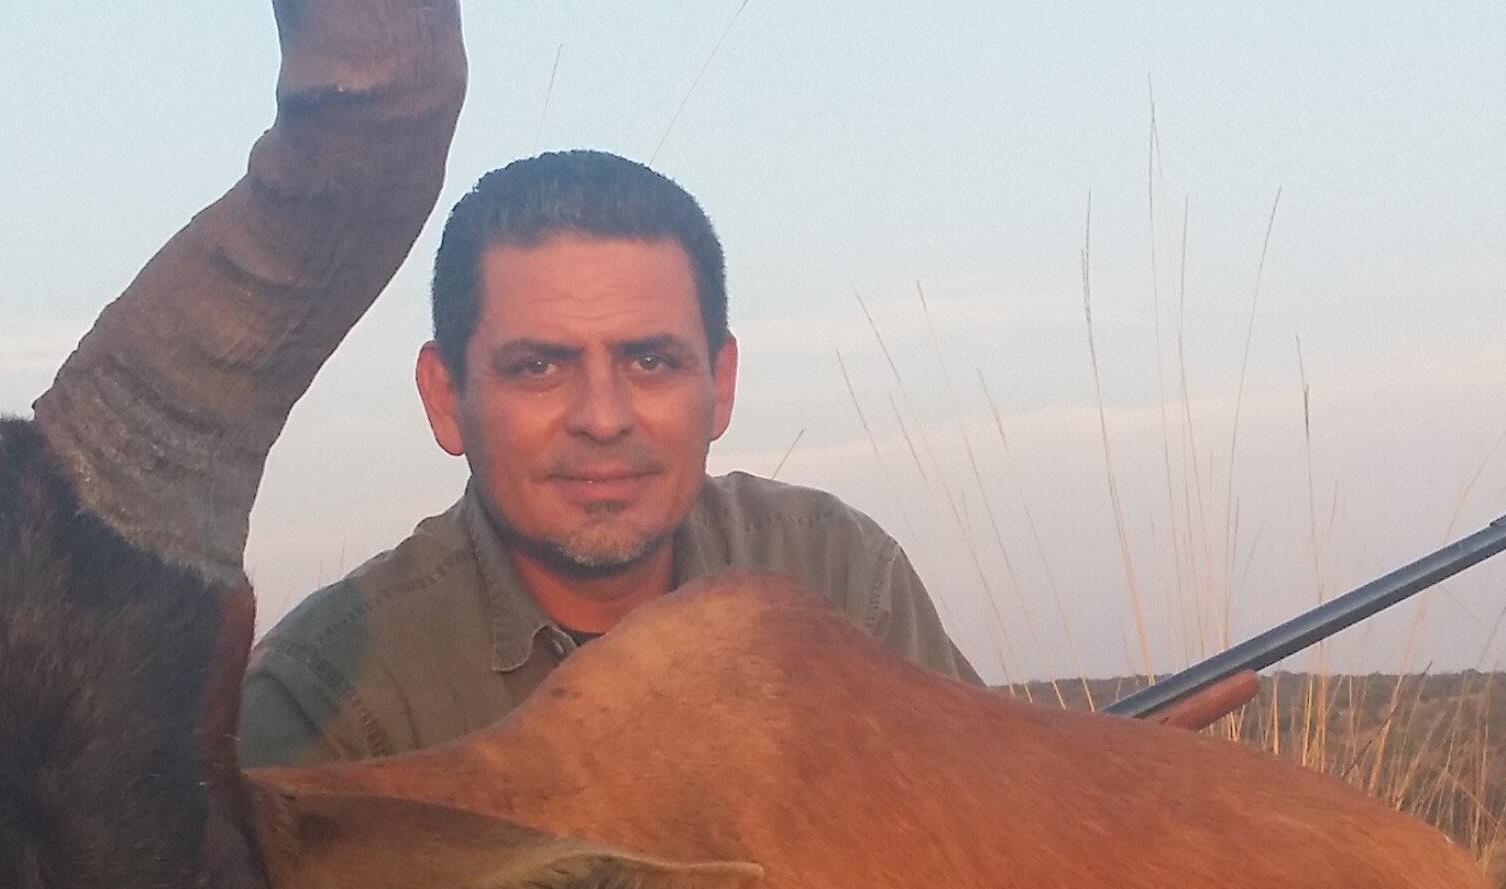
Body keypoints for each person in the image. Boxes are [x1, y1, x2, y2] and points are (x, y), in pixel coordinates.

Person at [237, 150, 1250, 766]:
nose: (603, 417)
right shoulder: (331, 692)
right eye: (540, 367)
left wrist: (1091, 795)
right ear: (446, 398)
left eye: (649, 360)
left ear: (718, 386)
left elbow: (984, 831)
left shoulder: (836, 569)